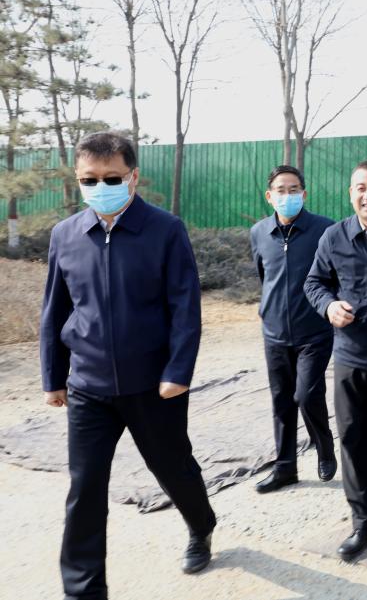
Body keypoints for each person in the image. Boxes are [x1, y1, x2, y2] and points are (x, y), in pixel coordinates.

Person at [40, 132, 218, 599]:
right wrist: (53, 376)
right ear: (78, 179)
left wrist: (178, 372)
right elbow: (55, 310)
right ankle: (83, 590)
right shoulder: (66, 235)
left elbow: (185, 307)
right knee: (85, 489)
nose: (100, 187)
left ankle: (201, 526)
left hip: (153, 386)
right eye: (89, 180)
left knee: (173, 468)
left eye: (112, 178)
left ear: (133, 177)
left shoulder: (165, 230)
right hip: (89, 386)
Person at [304, 161, 367, 561]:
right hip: (351, 354)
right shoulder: (334, 236)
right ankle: (365, 523)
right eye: (360, 187)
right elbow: (314, 282)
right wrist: (328, 306)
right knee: (353, 437)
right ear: (350, 193)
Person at [250, 165, 337, 494]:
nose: (287, 196)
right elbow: (264, 276)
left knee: (307, 394)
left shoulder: (325, 230)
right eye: (280, 190)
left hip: (314, 331)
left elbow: (334, 277)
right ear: (269, 196)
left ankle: (324, 446)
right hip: (274, 334)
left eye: (293, 189)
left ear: (304, 193)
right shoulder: (259, 232)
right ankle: (285, 467)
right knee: (281, 401)